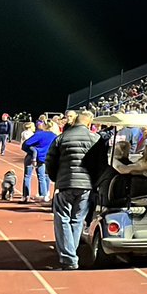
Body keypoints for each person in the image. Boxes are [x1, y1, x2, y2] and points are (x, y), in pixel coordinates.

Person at [44, 110, 99, 271]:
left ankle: (69, 257)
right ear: (89, 123)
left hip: (66, 183)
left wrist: (56, 179)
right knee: (77, 220)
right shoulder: (95, 139)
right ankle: (71, 253)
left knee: (62, 219)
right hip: (86, 186)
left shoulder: (61, 138)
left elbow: (50, 161)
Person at [22, 121, 55, 202]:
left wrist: (32, 151)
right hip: (43, 158)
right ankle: (43, 195)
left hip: (32, 157)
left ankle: (26, 196)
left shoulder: (39, 134)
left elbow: (26, 144)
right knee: (42, 177)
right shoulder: (54, 136)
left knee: (27, 176)